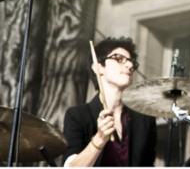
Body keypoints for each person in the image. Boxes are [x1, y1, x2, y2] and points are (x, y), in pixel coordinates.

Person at [62, 37, 156, 166]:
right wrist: (99, 140)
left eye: (130, 61)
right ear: (98, 67)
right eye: (119, 59)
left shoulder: (145, 119)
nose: (129, 65)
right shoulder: (77, 116)